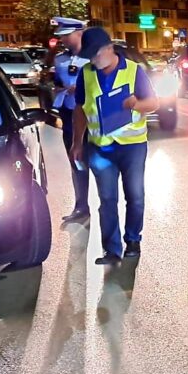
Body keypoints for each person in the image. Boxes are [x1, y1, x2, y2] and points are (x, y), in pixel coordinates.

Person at [70, 27, 159, 265]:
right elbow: (80, 109)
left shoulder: (134, 70)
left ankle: (133, 240)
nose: (93, 59)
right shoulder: (86, 74)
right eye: (89, 55)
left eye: (96, 54)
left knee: (135, 196)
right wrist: (77, 142)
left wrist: (136, 104)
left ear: (109, 48)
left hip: (132, 146)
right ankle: (111, 250)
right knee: (107, 200)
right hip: (100, 148)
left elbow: (153, 103)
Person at [50, 17, 90, 224]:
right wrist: (58, 89)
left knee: (102, 165)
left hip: (93, 118)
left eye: (67, 35)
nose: (63, 39)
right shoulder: (60, 60)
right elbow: (56, 82)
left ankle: (109, 207)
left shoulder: (95, 57)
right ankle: (81, 206)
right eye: (61, 36)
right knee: (76, 162)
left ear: (79, 33)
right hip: (69, 115)